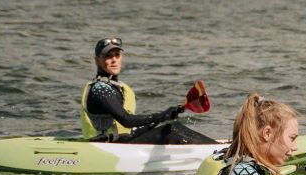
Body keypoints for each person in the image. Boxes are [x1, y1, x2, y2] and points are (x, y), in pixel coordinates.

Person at [83, 37, 216, 144]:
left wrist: (168, 115)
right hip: (106, 147)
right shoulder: (100, 89)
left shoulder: (115, 87)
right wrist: (161, 115)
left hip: (121, 141)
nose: (114, 60)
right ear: (97, 61)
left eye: (117, 55)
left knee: (172, 125)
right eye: (108, 56)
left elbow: (128, 126)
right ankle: (217, 151)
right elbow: (126, 120)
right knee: (172, 129)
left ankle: (215, 146)